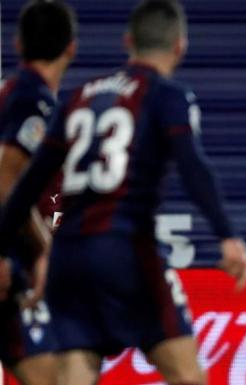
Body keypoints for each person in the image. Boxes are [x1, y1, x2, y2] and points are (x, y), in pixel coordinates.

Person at [0, 1, 246, 385]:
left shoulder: (77, 96)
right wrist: (227, 235)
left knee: (72, 376)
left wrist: (2, 247)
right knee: (188, 375)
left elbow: (29, 182)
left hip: (67, 256)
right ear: (179, 47)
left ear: (127, 41)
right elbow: (193, 166)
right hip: (126, 250)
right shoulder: (167, 95)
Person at [0, 1, 77, 384]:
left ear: (17, 44)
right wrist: (44, 250)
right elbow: (5, 181)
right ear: (71, 48)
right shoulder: (33, 100)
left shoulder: (14, 94)